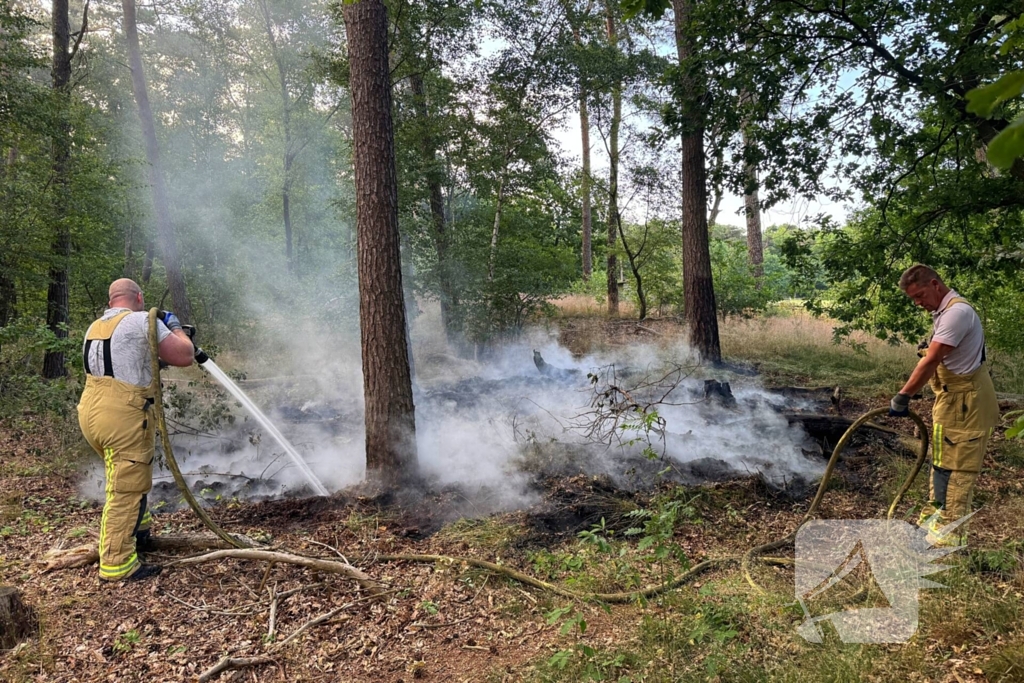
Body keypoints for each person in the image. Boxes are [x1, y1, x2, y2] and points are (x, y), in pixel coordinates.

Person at [77, 279, 195, 581]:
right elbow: (184, 355)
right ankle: (117, 564)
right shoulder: (142, 320)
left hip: (92, 414)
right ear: (139, 297)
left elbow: (122, 363)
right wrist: (174, 325)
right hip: (122, 417)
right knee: (125, 489)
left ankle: (139, 534)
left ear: (112, 299)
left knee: (128, 475)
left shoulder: (96, 327)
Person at [889, 264, 999, 546]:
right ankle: (933, 529)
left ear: (936, 285)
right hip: (951, 402)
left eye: (920, 295)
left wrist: (904, 396)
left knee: (956, 472)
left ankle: (947, 543)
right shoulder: (944, 312)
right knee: (941, 465)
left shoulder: (957, 313)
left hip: (966, 405)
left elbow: (932, 360)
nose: (918, 303)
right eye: (913, 298)